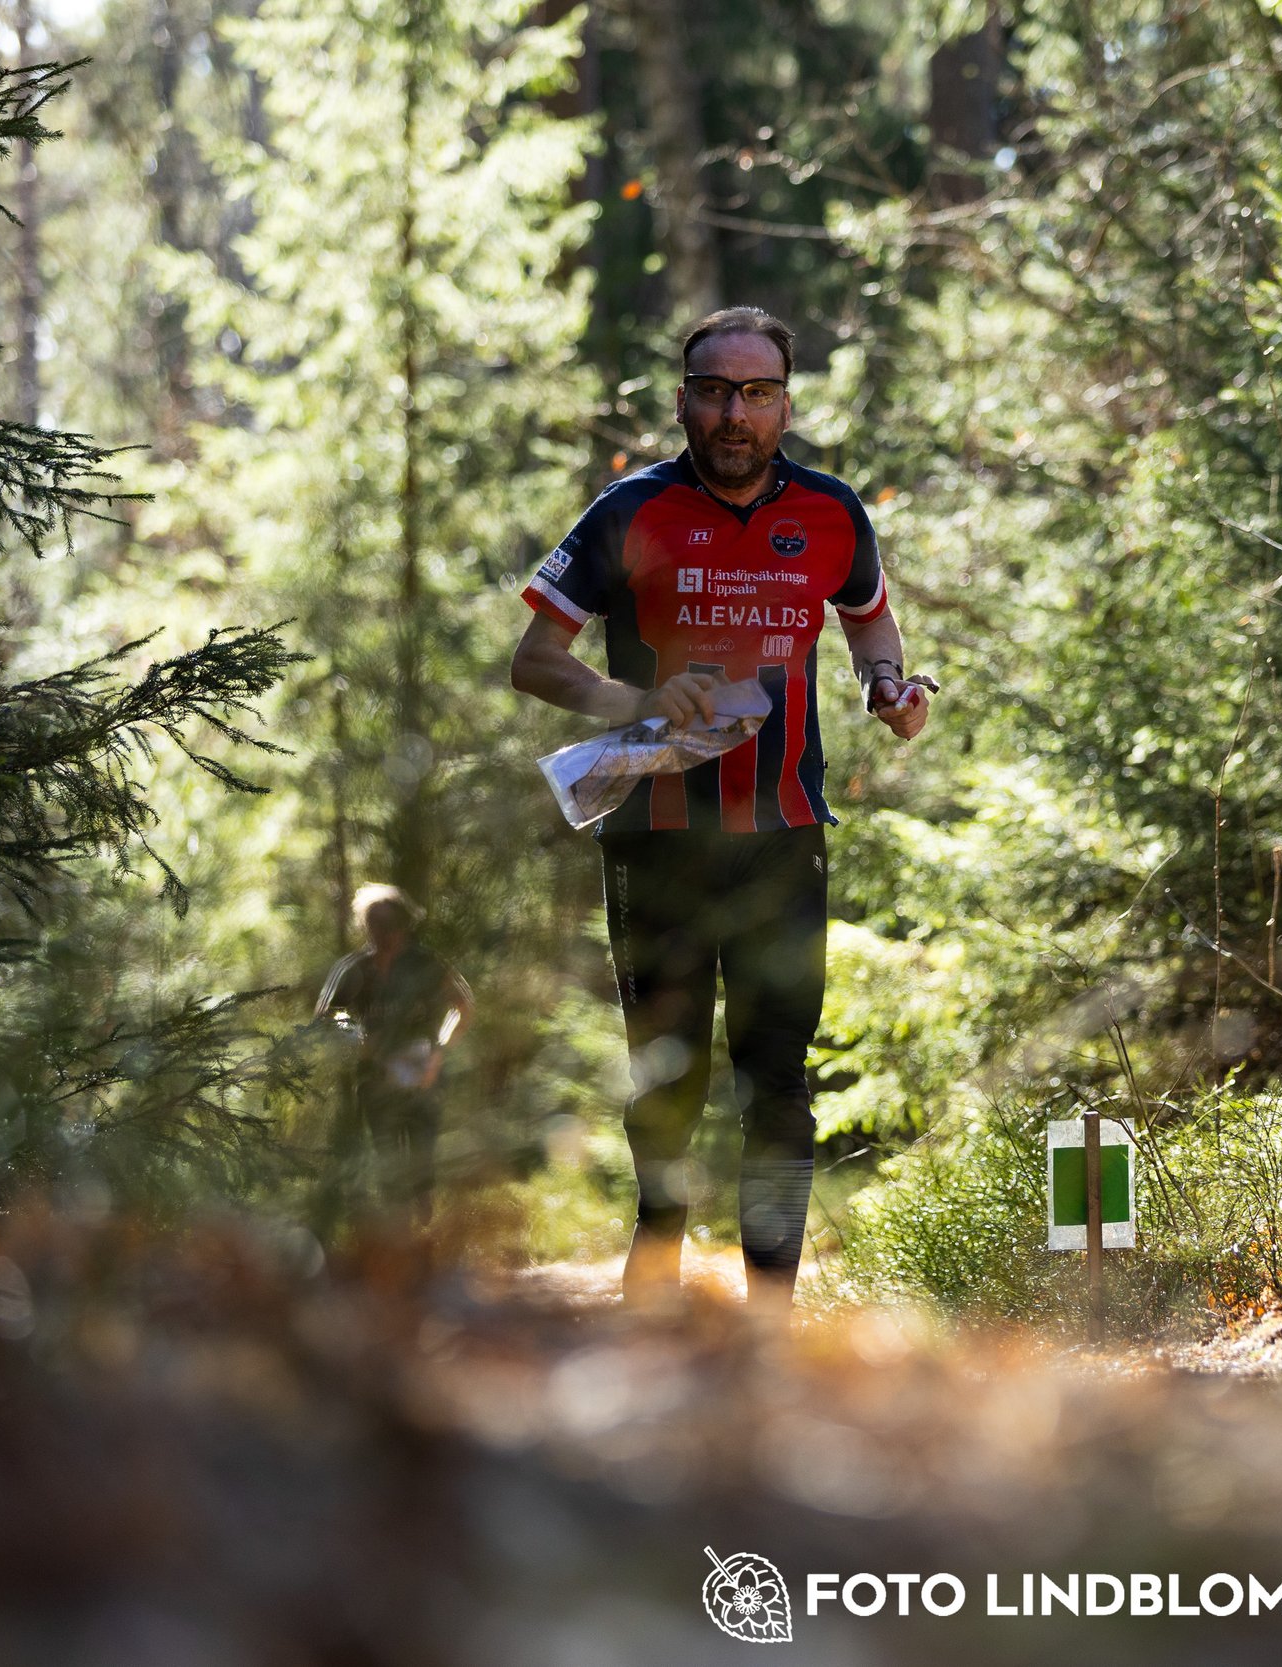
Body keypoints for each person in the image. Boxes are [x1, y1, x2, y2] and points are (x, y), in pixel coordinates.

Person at [509, 305, 933, 1309]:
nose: (733, 413)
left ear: (784, 402)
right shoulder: (628, 510)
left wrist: (891, 689)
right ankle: (653, 1284)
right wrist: (637, 701)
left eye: (754, 392)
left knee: (777, 1084)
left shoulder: (832, 512)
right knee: (667, 1080)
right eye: (713, 391)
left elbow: (871, 625)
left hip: (785, 838)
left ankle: (772, 1316)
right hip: (655, 839)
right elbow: (534, 661)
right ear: (683, 400)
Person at [314, 884, 476, 1220]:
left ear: (404, 925)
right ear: (365, 926)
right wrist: (353, 1034)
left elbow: (463, 1005)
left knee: (422, 1150)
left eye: (390, 926)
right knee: (386, 1149)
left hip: (423, 1070)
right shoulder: (354, 967)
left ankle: (424, 1215)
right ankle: (398, 1234)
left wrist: (439, 1051)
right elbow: (326, 1013)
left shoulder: (428, 964)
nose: (383, 935)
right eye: (374, 926)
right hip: (375, 1073)